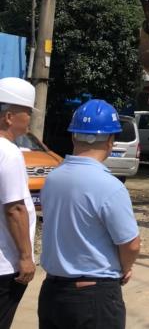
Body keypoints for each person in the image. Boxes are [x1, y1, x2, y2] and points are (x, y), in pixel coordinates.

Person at [38, 100, 141, 329]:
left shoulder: (52, 179)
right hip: (93, 297)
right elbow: (131, 244)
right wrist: (125, 268)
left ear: (74, 137)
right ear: (111, 140)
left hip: (52, 293)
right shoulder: (110, 186)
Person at [0, 78, 36, 329]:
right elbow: (14, 208)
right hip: (4, 264)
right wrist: (25, 257)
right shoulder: (9, 153)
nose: (30, 118)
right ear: (9, 117)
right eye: (28, 112)